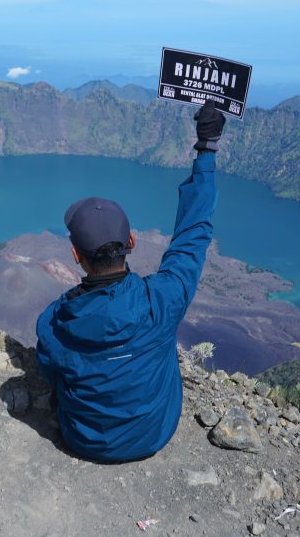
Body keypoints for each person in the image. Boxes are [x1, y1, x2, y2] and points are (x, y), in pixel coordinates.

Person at [35, 99, 224, 462]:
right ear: (132, 242)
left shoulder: (55, 323)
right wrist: (207, 149)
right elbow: (193, 234)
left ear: (75, 255)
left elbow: (49, 369)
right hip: (156, 433)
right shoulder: (163, 301)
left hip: (84, 441)